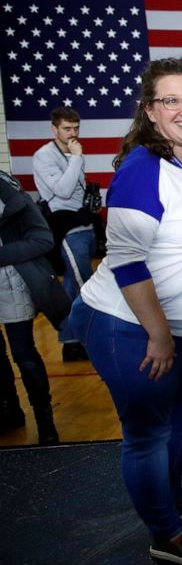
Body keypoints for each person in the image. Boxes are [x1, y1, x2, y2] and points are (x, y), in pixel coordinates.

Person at [68, 57, 182, 565]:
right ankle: (165, 534)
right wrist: (159, 336)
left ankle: (166, 499)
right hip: (130, 325)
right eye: (171, 99)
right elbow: (126, 263)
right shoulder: (143, 168)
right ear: (149, 109)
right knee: (147, 435)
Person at [0, 170, 69, 444]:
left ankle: (44, 420)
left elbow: (43, 239)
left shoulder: (11, 193)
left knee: (24, 354)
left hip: (12, 281)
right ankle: (9, 412)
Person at [32, 107, 95, 362]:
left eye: (76, 128)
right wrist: (76, 158)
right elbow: (64, 190)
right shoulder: (44, 156)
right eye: (67, 128)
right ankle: (81, 338)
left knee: (73, 283)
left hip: (83, 222)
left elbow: (77, 191)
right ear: (54, 129)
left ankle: (72, 342)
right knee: (83, 284)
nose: (72, 133)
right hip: (66, 226)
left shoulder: (72, 151)